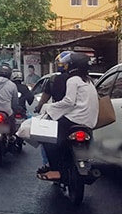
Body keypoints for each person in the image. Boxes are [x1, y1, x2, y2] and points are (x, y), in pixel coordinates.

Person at [37, 52, 99, 181]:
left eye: (67, 64)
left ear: (73, 66)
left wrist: (50, 108)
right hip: (90, 121)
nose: (65, 67)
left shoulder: (72, 80)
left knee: (47, 137)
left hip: (75, 119)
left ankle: (55, 169)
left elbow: (69, 101)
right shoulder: (89, 81)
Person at [34, 51, 71, 173]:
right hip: (79, 116)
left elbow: (44, 98)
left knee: (44, 137)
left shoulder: (53, 79)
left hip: (58, 115)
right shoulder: (83, 80)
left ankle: (48, 163)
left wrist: (38, 108)